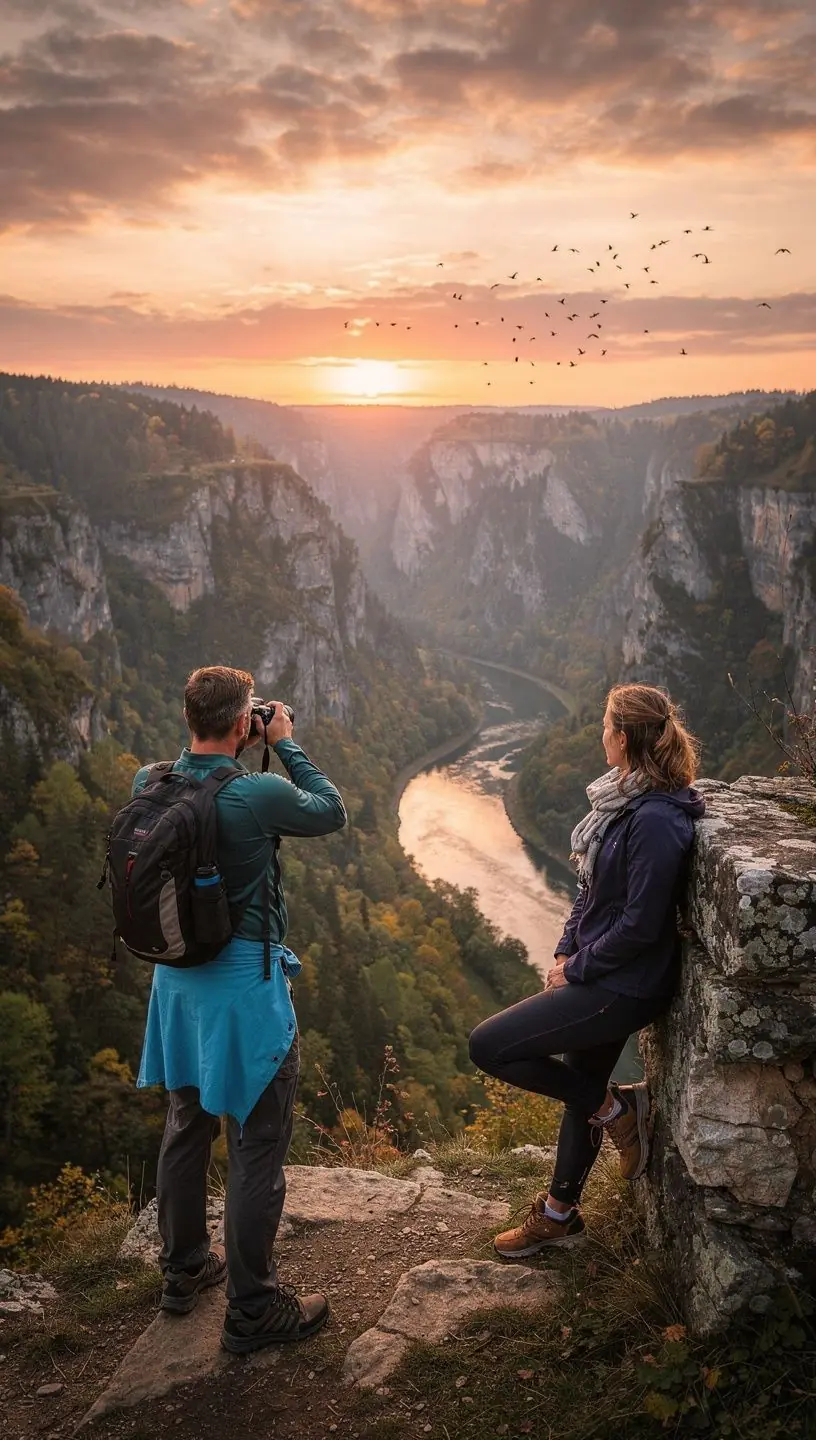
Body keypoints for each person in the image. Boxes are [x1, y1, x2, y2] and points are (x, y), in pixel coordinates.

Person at [134, 665, 347, 1351]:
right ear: (239, 723)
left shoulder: (149, 783)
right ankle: (252, 1309)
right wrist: (282, 741)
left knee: (186, 1125)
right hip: (243, 995)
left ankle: (183, 1271)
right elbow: (330, 809)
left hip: (175, 989)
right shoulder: (255, 794)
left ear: (188, 717)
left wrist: (235, 736)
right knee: (256, 1147)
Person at [469, 683, 705, 1256]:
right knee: (582, 1088)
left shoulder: (654, 820)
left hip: (627, 985)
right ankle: (559, 1215)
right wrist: (563, 951)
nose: (600, 736)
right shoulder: (620, 803)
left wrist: (577, 968)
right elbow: (590, 891)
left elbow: (641, 925)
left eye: (604, 727)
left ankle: (618, 1109)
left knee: (489, 1046)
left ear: (621, 738)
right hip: (602, 971)